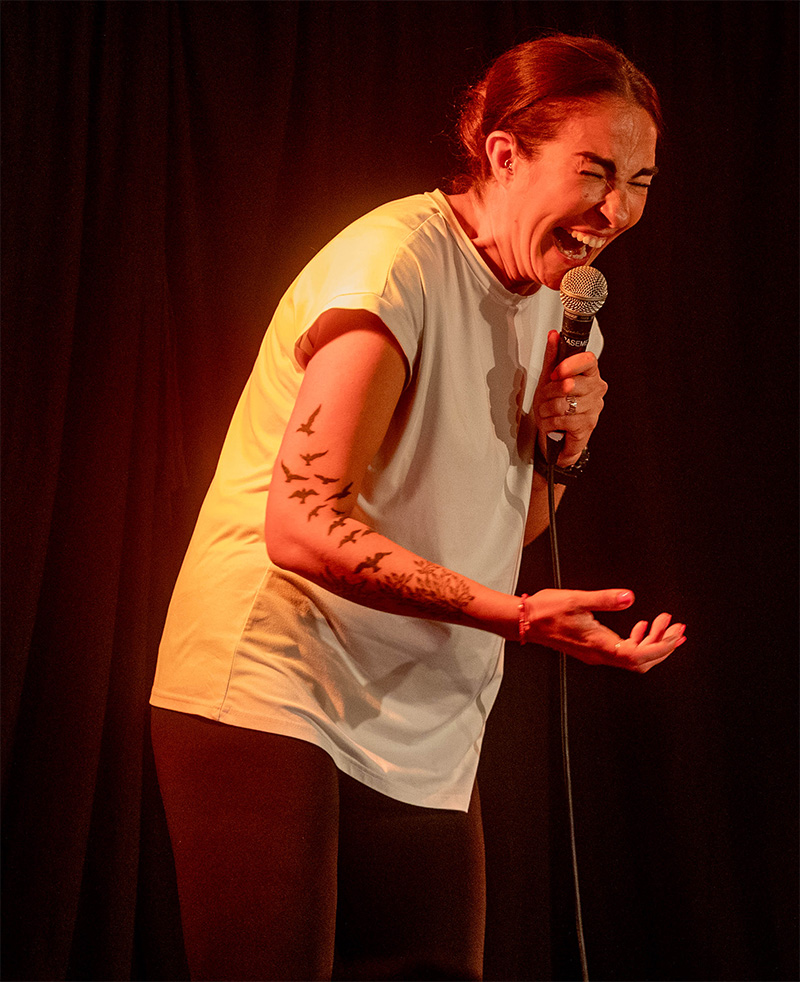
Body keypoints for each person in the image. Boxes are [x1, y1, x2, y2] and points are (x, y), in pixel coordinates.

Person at [150, 33, 686, 982]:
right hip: (280, 680)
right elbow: (301, 520)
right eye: (596, 170)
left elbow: (508, 531)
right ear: (505, 153)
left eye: (640, 180)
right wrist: (514, 616)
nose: (618, 208)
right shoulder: (394, 264)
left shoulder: (549, 302)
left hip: (425, 711)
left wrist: (565, 449)